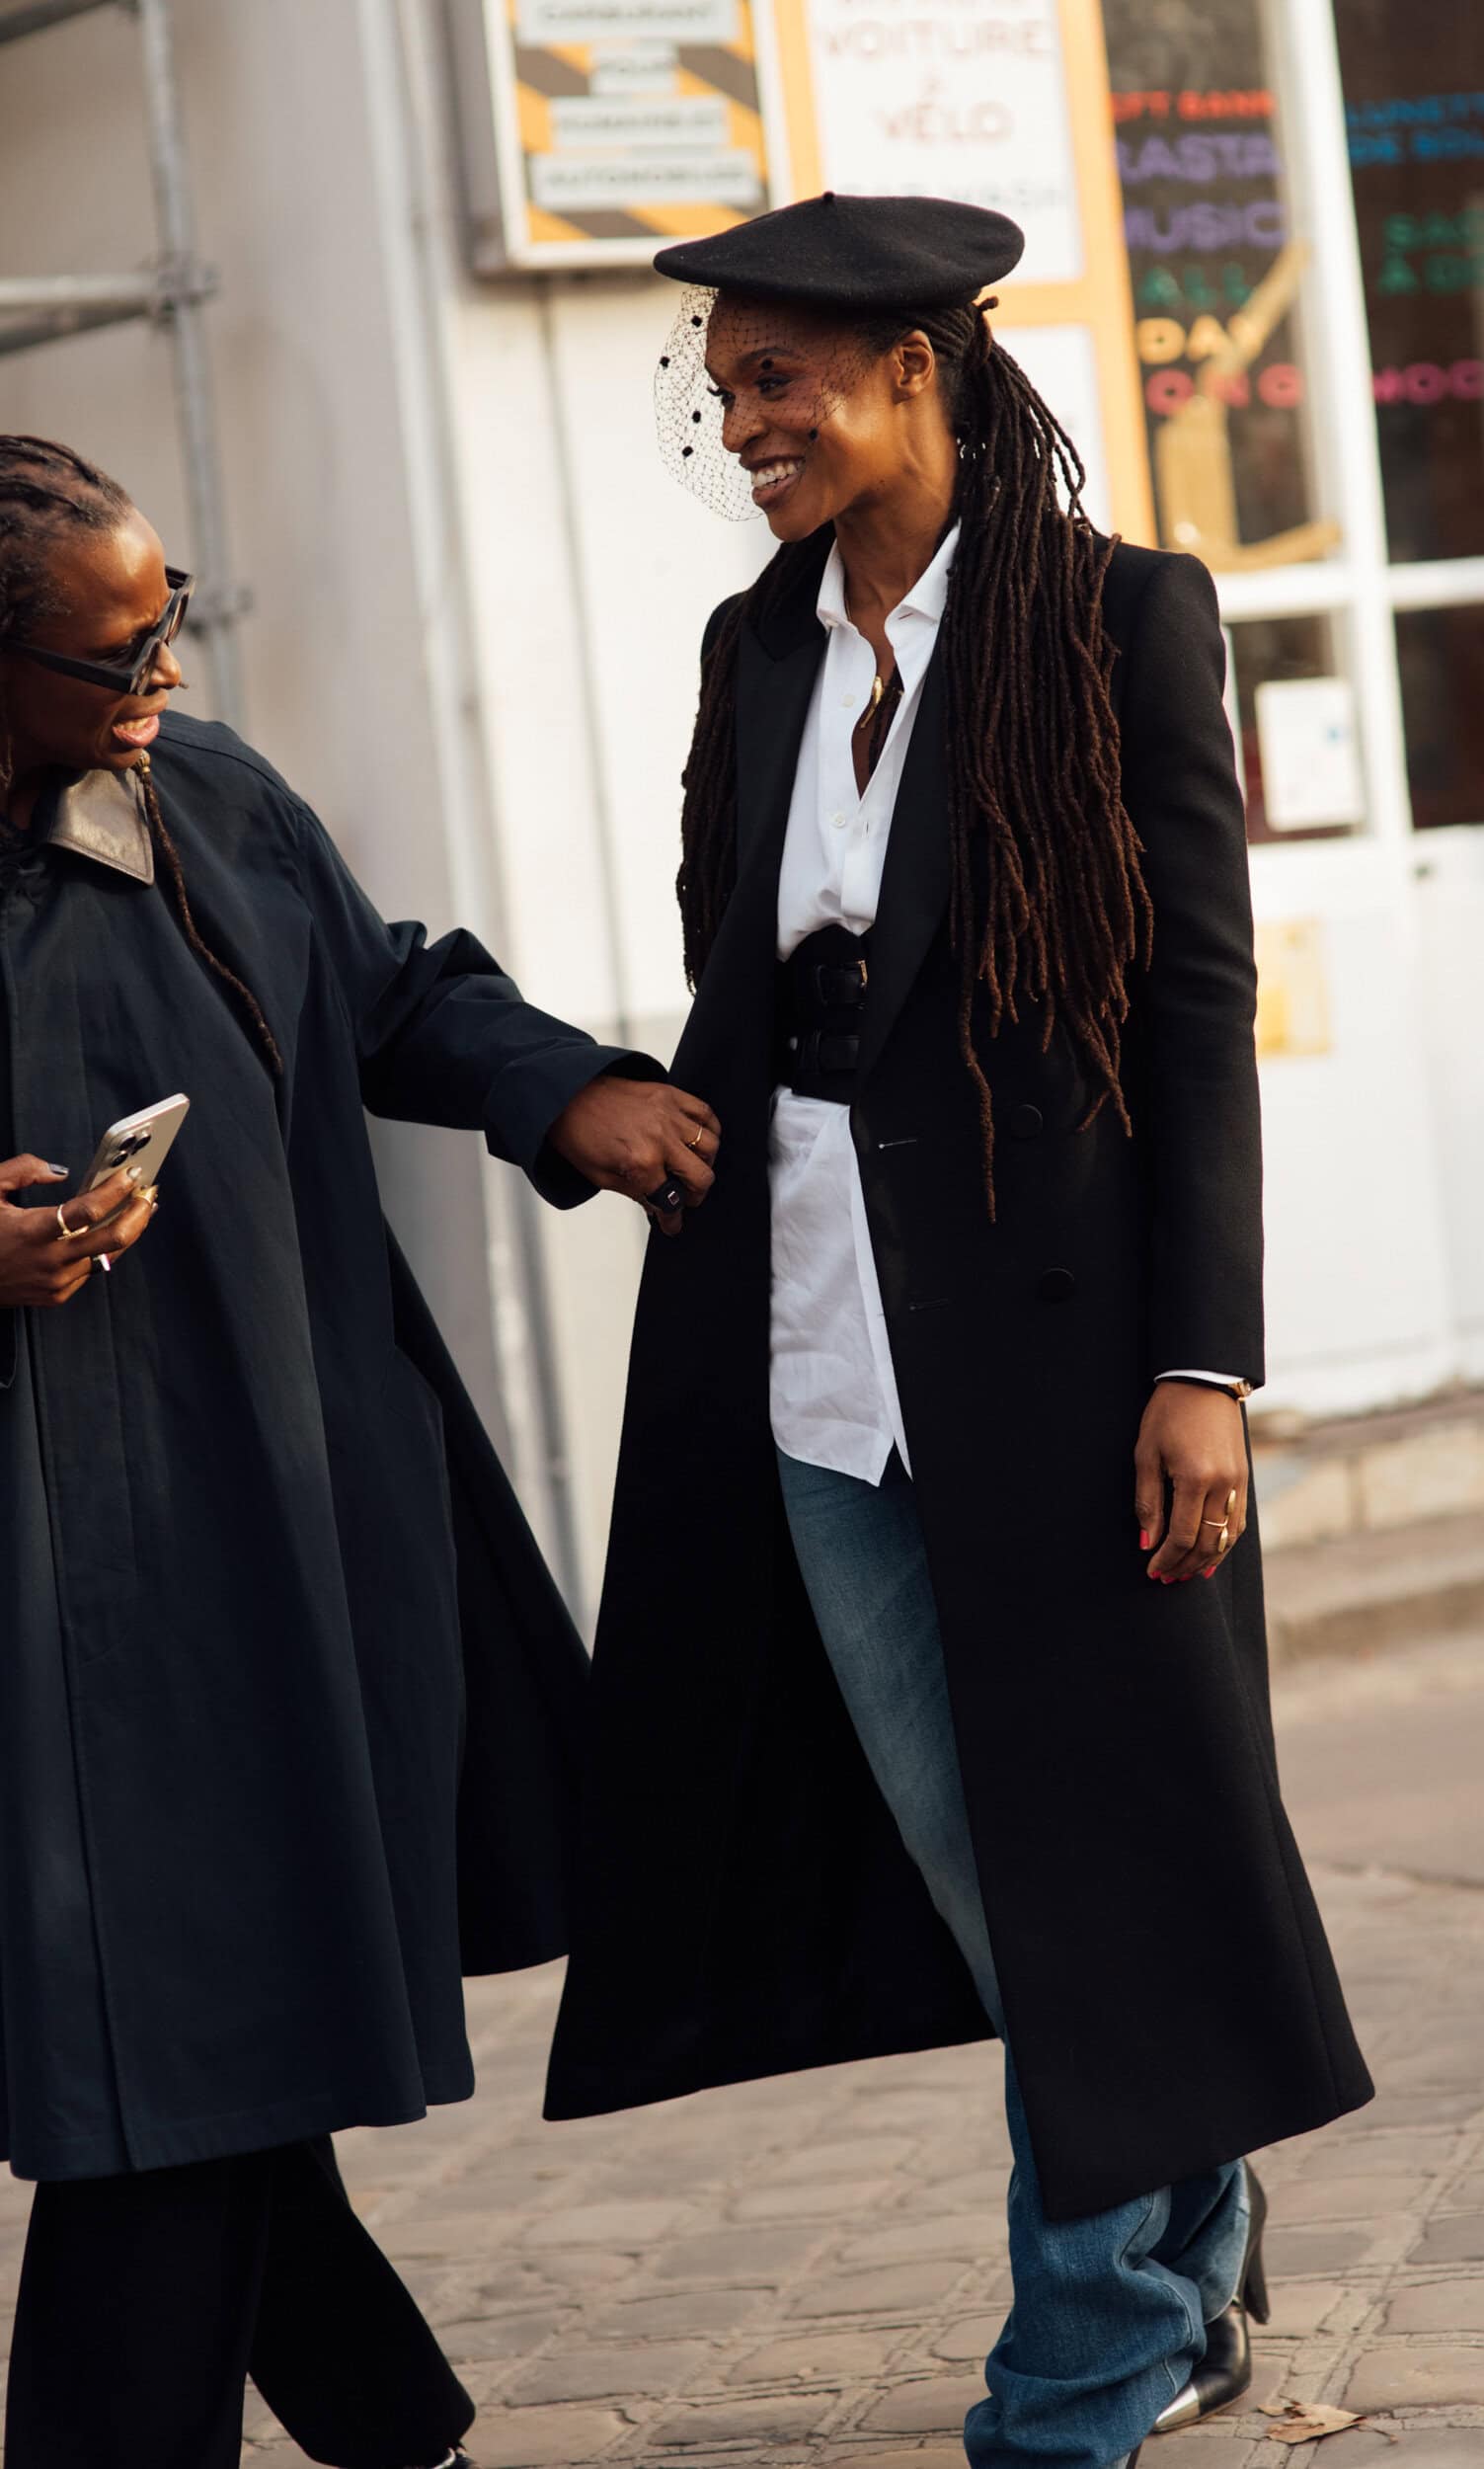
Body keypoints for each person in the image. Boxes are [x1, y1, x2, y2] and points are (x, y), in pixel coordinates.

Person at [542, 197, 1373, 2469]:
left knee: (1101, 1864)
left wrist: (1205, 1357)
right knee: (999, 1874)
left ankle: (1084, 2360)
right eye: (721, 393)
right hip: (809, 1354)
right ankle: (1188, 2250)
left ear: (917, 364)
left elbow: (1194, 1001)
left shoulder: (1115, 621)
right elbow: (754, 969)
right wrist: (615, 1109)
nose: (747, 428)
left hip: (1070, 1361)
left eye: (777, 382)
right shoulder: (755, 649)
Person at [0, 434, 720, 2469]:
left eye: (172, 623)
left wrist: (564, 1091)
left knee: (228, 2010)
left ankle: (403, 2427)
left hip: (286, 1512)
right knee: (182, 2029)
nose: (158, 677)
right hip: (61, 1577)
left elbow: (386, 984)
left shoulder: (204, 794)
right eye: (111, 652)